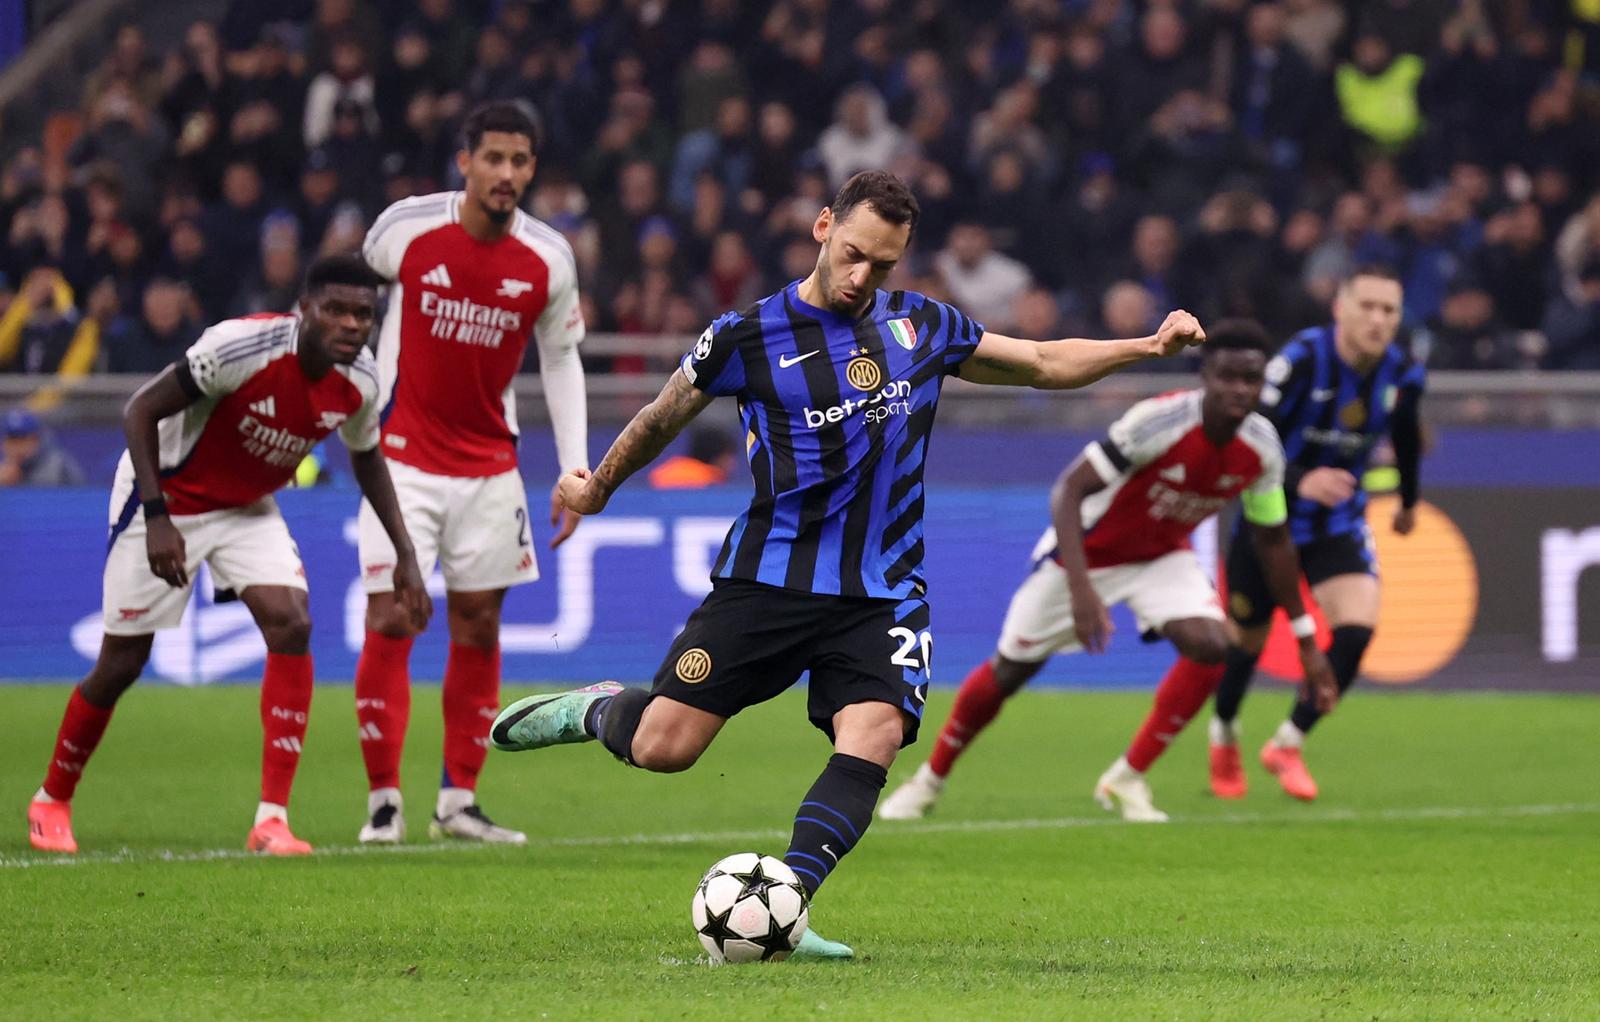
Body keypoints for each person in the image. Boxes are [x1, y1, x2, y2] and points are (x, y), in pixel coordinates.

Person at [489, 170, 1205, 957]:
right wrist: (598, 486)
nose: (864, 278)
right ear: (824, 227)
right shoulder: (746, 335)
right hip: (769, 578)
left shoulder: (923, 327)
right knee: (666, 747)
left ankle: (787, 904)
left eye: (885, 265)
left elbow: (1039, 358)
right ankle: (597, 709)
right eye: (856, 254)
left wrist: (1145, 346)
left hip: (883, 591)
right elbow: (663, 417)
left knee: (874, 733)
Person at [26, 255, 430, 856]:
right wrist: (158, 517)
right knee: (122, 663)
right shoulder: (241, 347)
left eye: (363, 314)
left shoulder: (363, 381)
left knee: (292, 623)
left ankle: (272, 821)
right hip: (164, 493)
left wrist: (406, 556)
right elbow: (139, 410)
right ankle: (51, 799)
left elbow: (366, 457)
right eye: (337, 310)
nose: (350, 324)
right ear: (305, 309)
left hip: (245, 505)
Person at [879, 321, 1336, 824]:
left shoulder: (1263, 447)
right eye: (1227, 377)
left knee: (1212, 644)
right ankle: (928, 781)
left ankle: (1127, 777)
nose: (1239, 390)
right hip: (1085, 552)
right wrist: (1082, 592)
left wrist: (1306, 639)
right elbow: (1069, 491)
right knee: (1011, 670)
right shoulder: (1160, 422)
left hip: (1161, 556)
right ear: (1205, 375)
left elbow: (1272, 539)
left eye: (1250, 380)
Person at [352, 101, 588, 846]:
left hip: (490, 466)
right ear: (466, 161)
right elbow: (346, 305)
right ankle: (383, 802)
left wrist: (575, 467)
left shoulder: (548, 258)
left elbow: (561, 358)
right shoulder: (403, 230)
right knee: (392, 615)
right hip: (401, 462)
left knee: (479, 624)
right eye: (494, 158)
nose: (508, 174)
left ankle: (458, 800)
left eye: (521, 162)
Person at [1206, 265, 1424, 801]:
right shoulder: (1301, 359)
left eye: (1389, 310)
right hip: (1270, 520)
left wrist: (1408, 501)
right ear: (1340, 309)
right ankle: (1224, 731)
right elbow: (1249, 436)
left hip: (1336, 521)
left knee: (1357, 628)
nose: (1378, 319)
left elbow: (1407, 436)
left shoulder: (1403, 371)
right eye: (1367, 306)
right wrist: (1302, 479)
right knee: (1245, 644)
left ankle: (1288, 740)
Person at [0, 408, 85, 486]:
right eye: (12, 440)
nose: (16, 447)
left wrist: (20, 482)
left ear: (35, 440)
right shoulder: (3, 467)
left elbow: (82, 497)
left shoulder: (58, 467)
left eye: (22, 439)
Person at [646, 425, 736, 488]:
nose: (732, 462)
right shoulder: (710, 481)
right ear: (716, 455)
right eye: (728, 456)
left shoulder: (665, 470)